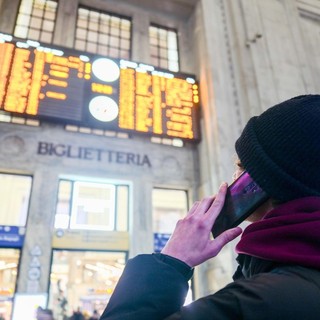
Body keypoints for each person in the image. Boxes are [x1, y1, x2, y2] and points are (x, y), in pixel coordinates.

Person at [99, 95, 320, 319]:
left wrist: (172, 260)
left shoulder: (259, 302)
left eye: (241, 167)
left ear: (262, 181)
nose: (233, 178)